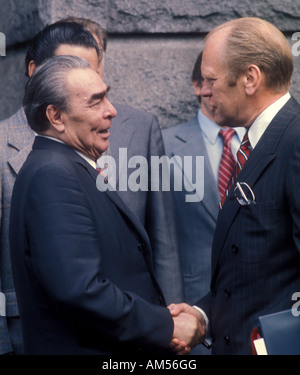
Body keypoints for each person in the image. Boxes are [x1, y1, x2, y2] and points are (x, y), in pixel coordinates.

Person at [0, 18, 183, 354]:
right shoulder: (53, 174)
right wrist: (169, 325)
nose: (112, 111)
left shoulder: (67, 164)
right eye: (95, 101)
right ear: (55, 116)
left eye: (105, 96)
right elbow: (81, 289)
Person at [170, 16, 300, 355]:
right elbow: (257, 272)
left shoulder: (295, 141)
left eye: (211, 79)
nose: (204, 90)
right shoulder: (256, 143)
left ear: (250, 78)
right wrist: (203, 314)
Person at [61, 17, 184, 307]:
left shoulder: (141, 127)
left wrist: (173, 316)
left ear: (101, 63)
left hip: (136, 315)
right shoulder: (21, 137)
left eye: (91, 60)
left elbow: (163, 239)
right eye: (70, 62)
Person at [0, 21, 101, 355]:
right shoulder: (2, 147)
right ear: (35, 70)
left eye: (90, 70)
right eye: (67, 66)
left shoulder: (104, 140)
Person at [162, 51, 245, 354]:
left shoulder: (265, 145)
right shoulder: (162, 146)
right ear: (197, 85)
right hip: (188, 317)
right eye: (208, 81)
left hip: (255, 319)